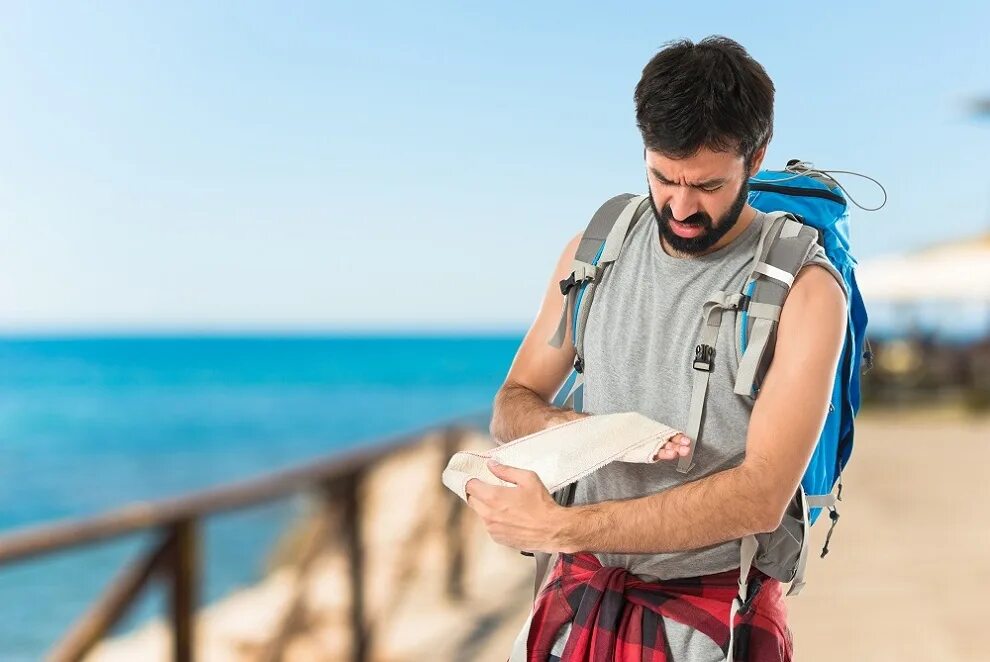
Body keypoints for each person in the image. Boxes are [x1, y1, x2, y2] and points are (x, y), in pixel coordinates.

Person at [463, 36, 847, 661]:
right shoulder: (594, 249)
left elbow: (761, 496)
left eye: (707, 184)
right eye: (662, 177)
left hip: (712, 621)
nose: (681, 205)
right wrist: (596, 434)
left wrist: (557, 527)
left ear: (757, 156)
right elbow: (512, 404)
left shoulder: (805, 290)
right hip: (577, 600)